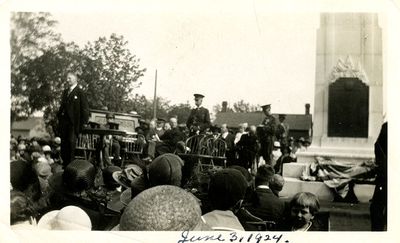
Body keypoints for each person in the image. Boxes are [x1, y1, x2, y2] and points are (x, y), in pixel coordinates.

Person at [57, 71, 90, 167]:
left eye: (69, 78)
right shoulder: (65, 92)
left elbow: (85, 108)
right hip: (64, 124)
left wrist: (84, 123)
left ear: (75, 79)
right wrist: (58, 117)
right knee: (64, 146)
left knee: (71, 146)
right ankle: (65, 166)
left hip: (73, 124)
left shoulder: (80, 92)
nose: (67, 80)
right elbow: (62, 107)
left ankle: (70, 168)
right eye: (66, 78)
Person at [370, 122, 387, 231]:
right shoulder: (387, 127)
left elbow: (378, 145)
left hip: (385, 177)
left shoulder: (387, 127)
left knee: (377, 208)